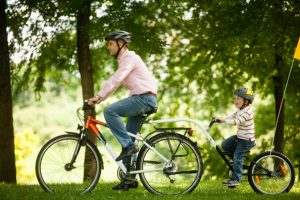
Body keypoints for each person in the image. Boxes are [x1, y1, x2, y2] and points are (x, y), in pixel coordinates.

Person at [87, 30, 158, 190]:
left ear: (121, 44)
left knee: (110, 111)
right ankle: (129, 179)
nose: (108, 47)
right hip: (142, 99)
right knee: (129, 139)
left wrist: (98, 97)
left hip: (144, 99)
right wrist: (101, 97)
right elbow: (116, 83)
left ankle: (128, 147)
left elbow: (116, 80)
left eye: (111, 43)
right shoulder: (125, 60)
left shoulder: (130, 58)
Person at [215, 87, 255, 187]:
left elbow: (236, 121)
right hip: (239, 137)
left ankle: (236, 179)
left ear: (246, 101)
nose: (235, 100)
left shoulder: (247, 112)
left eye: (238, 98)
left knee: (237, 157)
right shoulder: (240, 110)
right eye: (235, 98)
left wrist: (223, 121)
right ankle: (238, 163)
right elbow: (232, 116)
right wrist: (221, 118)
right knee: (225, 145)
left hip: (246, 141)